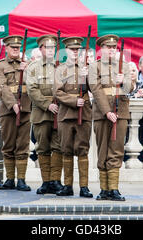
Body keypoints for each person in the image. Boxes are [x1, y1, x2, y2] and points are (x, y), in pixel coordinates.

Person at [88, 34, 134, 201]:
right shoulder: (95, 67)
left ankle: (113, 188)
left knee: (116, 149)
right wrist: (107, 111)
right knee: (102, 149)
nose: (111, 50)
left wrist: (124, 82)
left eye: (114, 47)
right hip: (102, 113)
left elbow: (130, 89)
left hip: (121, 111)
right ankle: (104, 189)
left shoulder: (125, 66)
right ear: (102, 49)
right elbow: (96, 89)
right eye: (108, 47)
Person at [54, 36, 93, 197]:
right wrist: (73, 100)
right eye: (72, 49)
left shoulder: (88, 68)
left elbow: (94, 89)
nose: (75, 52)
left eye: (77, 49)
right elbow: (57, 92)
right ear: (66, 51)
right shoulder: (60, 70)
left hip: (83, 114)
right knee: (67, 150)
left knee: (83, 150)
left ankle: (84, 186)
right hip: (66, 115)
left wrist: (87, 76)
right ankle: (68, 185)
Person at [26, 35, 63, 195]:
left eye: (53, 48)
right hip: (42, 113)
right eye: (47, 47)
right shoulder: (33, 67)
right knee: (42, 148)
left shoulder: (60, 67)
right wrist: (48, 105)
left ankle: (56, 181)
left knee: (58, 147)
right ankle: (46, 181)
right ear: (41, 49)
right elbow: (32, 89)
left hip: (59, 113)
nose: (50, 50)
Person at [0, 35, 32, 192]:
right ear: (6, 48)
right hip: (8, 110)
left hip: (25, 108)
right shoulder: (0, 66)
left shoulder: (28, 64)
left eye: (18, 47)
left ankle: (21, 179)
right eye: (13, 47)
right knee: (9, 144)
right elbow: (1, 87)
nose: (16, 50)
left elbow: (34, 83)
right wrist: (12, 105)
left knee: (23, 145)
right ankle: (10, 179)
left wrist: (27, 70)